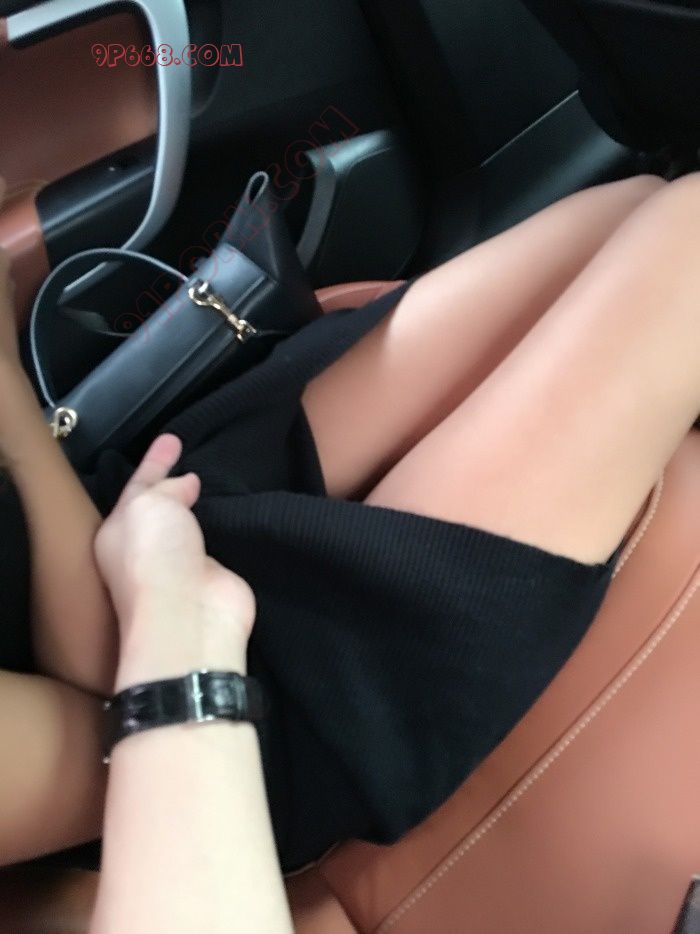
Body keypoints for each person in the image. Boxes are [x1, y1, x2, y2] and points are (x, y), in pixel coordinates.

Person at [0, 170, 698, 877]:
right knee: (688, 234)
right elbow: (125, 735)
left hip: (152, 512)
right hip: (234, 699)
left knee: (630, 203)